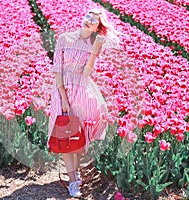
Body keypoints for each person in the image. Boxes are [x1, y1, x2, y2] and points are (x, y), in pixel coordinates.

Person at [48, 8, 120, 198]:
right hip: (63, 91)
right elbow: (57, 68)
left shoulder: (93, 44)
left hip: (82, 90)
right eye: (88, 16)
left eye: (94, 20)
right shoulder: (64, 38)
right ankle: (72, 182)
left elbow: (87, 74)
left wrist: (95, 51)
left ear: (98, 27)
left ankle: (75, 171)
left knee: (79, 136)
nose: (88, 20)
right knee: (65, 136)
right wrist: (63, 97)